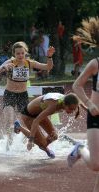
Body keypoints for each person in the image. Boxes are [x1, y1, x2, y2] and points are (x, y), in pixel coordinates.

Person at [0, 41, 55, 150]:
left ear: (25, 53)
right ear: (14, 54)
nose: (20, 56)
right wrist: (3, 68)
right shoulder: (10, 62)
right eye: (18, 54)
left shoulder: (29, 63)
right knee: (9, 120)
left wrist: (49, 56)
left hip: (23, 96)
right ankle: (8, 143)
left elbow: (47, 67)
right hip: (10, 95)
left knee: (27, 122)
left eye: (22, 53)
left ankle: (25, 141)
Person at [67, 17, 99, 192]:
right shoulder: (96, 64)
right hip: (96, 116)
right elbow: (76, 85)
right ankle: (80, 149)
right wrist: (89, 104)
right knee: (96, 165)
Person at [14, 93, 80, 158]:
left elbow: (78, 102)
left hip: (39, 113)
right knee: (40, 142)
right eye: (71, 109)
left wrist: (85, 109)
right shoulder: (53, 106)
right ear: (64, 104)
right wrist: (31, 141)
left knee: (54, 136)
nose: (72, 111)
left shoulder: (68, 100)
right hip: (28, 115)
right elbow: (36, 121)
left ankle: (43, 146)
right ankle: (19, 127)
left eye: (74, 109)